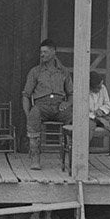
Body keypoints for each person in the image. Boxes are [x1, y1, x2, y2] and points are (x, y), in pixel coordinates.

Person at [21, 38, 73, 170]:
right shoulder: (35, 71)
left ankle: (73, 157)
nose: (42, 55)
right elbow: (26, 95)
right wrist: (29, 114)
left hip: (59, 107)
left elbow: (71, 93)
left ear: (54, 52)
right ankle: (35, 158)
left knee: (75, 119)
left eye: (45, 52)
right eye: (41, 52)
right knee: (34, 116)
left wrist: (67, 103)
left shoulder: (64, 72)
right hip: (41, 106)